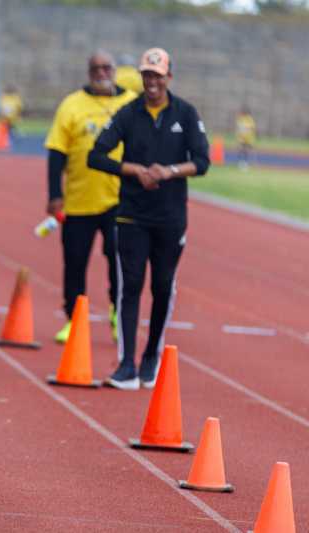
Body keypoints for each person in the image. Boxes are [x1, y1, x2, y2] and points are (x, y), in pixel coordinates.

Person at [88, 47, 210, 390]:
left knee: (162, 286)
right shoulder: (128, 113)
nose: (152, 81)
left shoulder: (185, 113)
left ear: (168, 77)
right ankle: (126, 364)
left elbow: (201, 162)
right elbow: (96, 155)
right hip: (132, 214)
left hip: (171, 217)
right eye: (147, 75)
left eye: (157, 75)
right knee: (130, 285)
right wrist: (134, 170)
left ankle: (151, 358)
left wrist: (168, 171)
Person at [45, 50, 136, 344]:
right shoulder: (71, 105)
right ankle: (74, 319)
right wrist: (55, 194)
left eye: (106, 67)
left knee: (119, 261)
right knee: (75, 262)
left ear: (115, 70)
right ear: (89, 72)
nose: (101, 72)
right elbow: (57, 152)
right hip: (79, 200)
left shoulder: (130, 104)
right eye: (95, 68)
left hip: (120, 200)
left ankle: (116, 315)